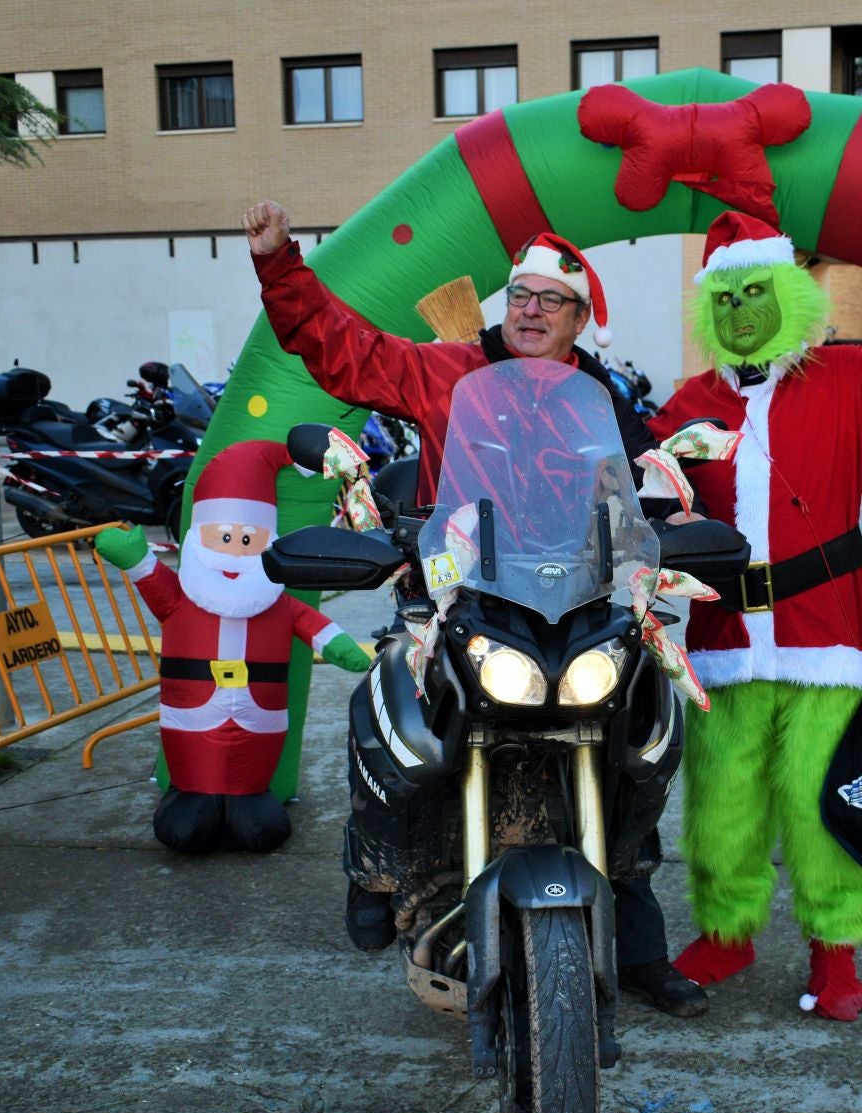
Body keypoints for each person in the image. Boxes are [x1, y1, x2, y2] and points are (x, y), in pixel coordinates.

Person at [242, 200, 706, 1017]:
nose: (529, 310)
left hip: (573, 601)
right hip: (455, 596)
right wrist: (282, 266)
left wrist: (674, 523)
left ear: (579, 318)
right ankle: (375, 866)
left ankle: (637, 950)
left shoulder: (597, 392)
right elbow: (344, 352)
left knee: (640, 732)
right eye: (519, 295)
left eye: (549, 300)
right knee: (386, 706)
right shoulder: (445, 369)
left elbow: (636, 485)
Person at [647, 198, 862, 1022]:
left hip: (824, 638)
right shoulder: (686, 403)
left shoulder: (850, 379)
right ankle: (727, 934)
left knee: (823, 800)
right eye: (724, 300)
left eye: (754, 292)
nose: (740, 313)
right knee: (721, 804)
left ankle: (836, 951)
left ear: (789, 292)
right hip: (721, 644)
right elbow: (643, 505)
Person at [95, 440, 373, 853]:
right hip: (191, 718)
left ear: (268, 541)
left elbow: (312, 624)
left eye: (248, 540)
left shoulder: (276, 602)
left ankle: (250, 798)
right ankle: (192, 795)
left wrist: (340, 646)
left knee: (257, 817)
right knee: (187, 820)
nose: (234, 550)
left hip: (259, 718)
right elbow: (151, 577)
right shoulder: (181, 597)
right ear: (198, 537)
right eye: (223, 536)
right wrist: (135, 558)